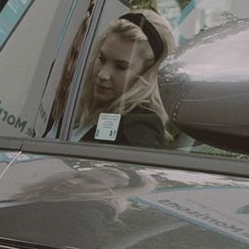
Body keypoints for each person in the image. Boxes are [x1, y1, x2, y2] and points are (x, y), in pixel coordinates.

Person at [71, 9, 176, 147]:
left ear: (147, 73)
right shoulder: (78, 107)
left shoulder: (139, 129)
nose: (103, 74)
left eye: (121, 67)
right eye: (102, 59)